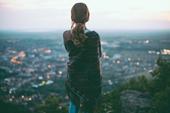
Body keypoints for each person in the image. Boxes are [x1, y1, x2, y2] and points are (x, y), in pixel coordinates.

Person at [63, 2, 102, 113]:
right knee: (89, 107)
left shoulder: (66, 35)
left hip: (73, 77)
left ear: (72, 17)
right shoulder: (94, 36)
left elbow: (71, 51)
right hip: (91, 79)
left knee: (74, 103)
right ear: (87, 16)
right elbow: (97, 57)